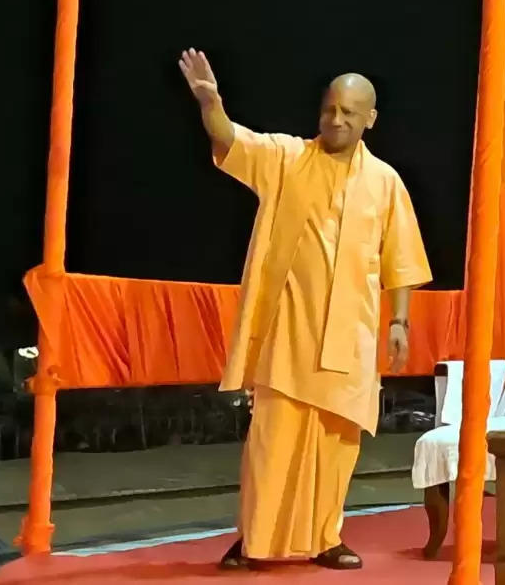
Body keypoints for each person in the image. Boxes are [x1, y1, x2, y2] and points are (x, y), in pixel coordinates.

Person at [177, 49, 432, 571]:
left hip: (351, 332)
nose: (336, 120)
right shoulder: (288, 158)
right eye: (329, 109)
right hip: (288, 329)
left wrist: (399, 321)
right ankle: (254, 537)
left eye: (348, 113)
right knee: (271, 440)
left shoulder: (385, 182)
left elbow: (401, 260)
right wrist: (210, 103)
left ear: (370, 119)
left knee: (336, 445)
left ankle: (325, 537)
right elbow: (232, 139)